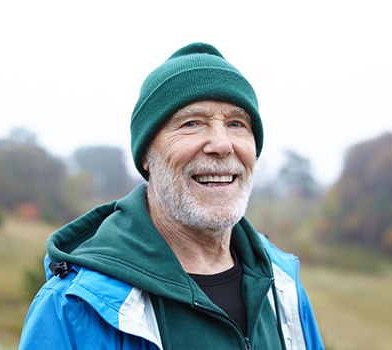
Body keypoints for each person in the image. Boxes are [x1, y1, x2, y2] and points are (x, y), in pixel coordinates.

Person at [19, 42, 324, 350]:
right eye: (192, 123)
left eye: (236, 123)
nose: (221, 144)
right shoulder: (74, 306)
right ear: (147, 156)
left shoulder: (283, 285)